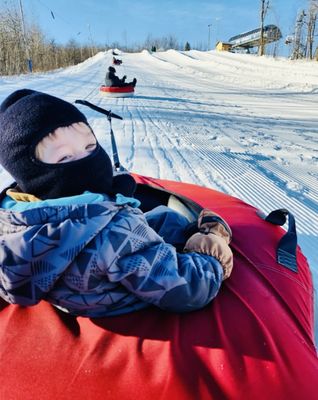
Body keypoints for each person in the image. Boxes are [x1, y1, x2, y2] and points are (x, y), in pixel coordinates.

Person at [0, 89, 233, 318]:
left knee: (164, 217)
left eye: (90, 147)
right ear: (33, 176)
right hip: (127, 295)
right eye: (65, 158)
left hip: (81, 280)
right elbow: (189, 289)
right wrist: (213, 249)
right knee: (171, 220)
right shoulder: (116, 233)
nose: (88, 160)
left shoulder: (12, 223)